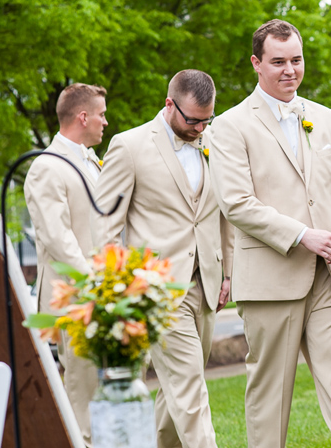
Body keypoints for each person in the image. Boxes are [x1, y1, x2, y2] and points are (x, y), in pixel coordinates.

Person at [209, 19, 331, 448]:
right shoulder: (229, 126)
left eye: (296, 60)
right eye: (278, 61)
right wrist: (305, 235)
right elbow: (237, 203)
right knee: (270, 398)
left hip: (330, 279)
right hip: (270, 280)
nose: (290, 70)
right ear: (256, 63)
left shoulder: (326, 118)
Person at [94, 70, 233, 448]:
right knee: (190, 389)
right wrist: (116, 291)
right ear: (169, 104)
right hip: (155, 291)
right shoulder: (129, 146)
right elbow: (106, 226)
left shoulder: (213, 141)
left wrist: (227, 274)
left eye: (208, 119)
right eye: (193, 119)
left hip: (204, 284)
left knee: (178, 391)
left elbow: (222, 212)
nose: (201, 127)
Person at [25, 83, 108, 447]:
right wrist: (95, 283)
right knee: (83, 393)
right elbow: (58, 239)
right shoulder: (47, 166)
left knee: (105, 392)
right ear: (83, 116)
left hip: (103, 295)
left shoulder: (90, 159)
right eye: (102, 114)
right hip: (75, 295)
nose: (106, 122)